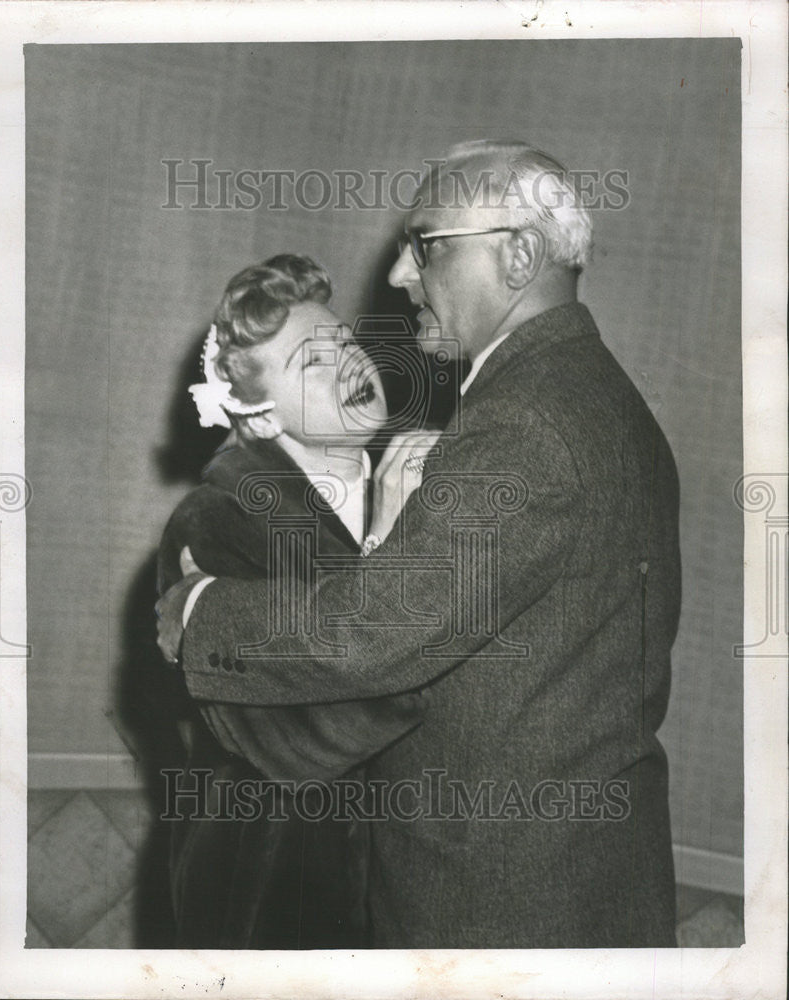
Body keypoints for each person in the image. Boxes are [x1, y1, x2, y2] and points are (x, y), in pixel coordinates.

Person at [157, 140, 682, 948]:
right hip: (527, 879)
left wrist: (201, 613)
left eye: (425, 245)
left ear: (516, 255)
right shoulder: (592, 398)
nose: (400, 274)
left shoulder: (522, 424)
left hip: (501, 899)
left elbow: (379, 633)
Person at [157, 253, 436, 948]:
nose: (345, 360)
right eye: (310, 363)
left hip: (416, 880)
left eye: (341, 340)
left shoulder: (423, 482)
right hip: (275, 889)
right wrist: (388, 543)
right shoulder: (215, 521)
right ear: (257, 417)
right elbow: (310, 731)